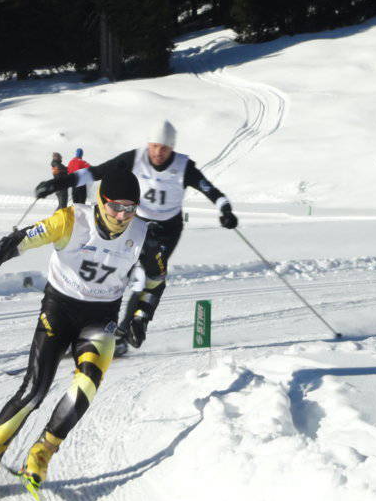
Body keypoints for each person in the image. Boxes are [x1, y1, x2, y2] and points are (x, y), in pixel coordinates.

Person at [0, 169, 165, 494]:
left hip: (101, 317)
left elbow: (155, 282)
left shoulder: (142, 236)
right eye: (115, 207)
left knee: (87, 384)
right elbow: (20, 241)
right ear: (101, 200)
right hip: (60, 310)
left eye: (130, 208)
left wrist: (141, 317)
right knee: (34, 390)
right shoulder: (70, 220)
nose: (122, 216)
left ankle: (43, 451)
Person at [35, 119, 238, 355]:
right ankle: (85, 330)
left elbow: (211, 190)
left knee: (145, 278)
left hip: (166, 231)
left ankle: (125, 333)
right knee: (113, 276)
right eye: (154, 146)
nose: (158, 153)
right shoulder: (135, 158)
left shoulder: (184, 166)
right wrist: (56, 183)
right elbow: (96, 172)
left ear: (172, 148)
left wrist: (225, 210)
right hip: (134, 225)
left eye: (164, 148)